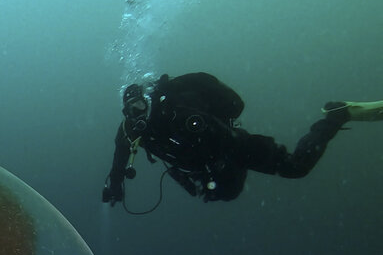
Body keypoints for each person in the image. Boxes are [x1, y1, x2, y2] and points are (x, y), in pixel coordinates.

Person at [102, 72, 383, 208]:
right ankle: (220, 181)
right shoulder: (131, 131)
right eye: (131, 110)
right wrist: (114, 184)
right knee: (225, 194)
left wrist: (224, 161)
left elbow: (223, 135)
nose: (136, 114)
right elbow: (119, 155)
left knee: (296, 167)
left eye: (140, 106)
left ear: (147, 102)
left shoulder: (176, 112)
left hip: (235, 147)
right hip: (207, 166)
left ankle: (335, 115)